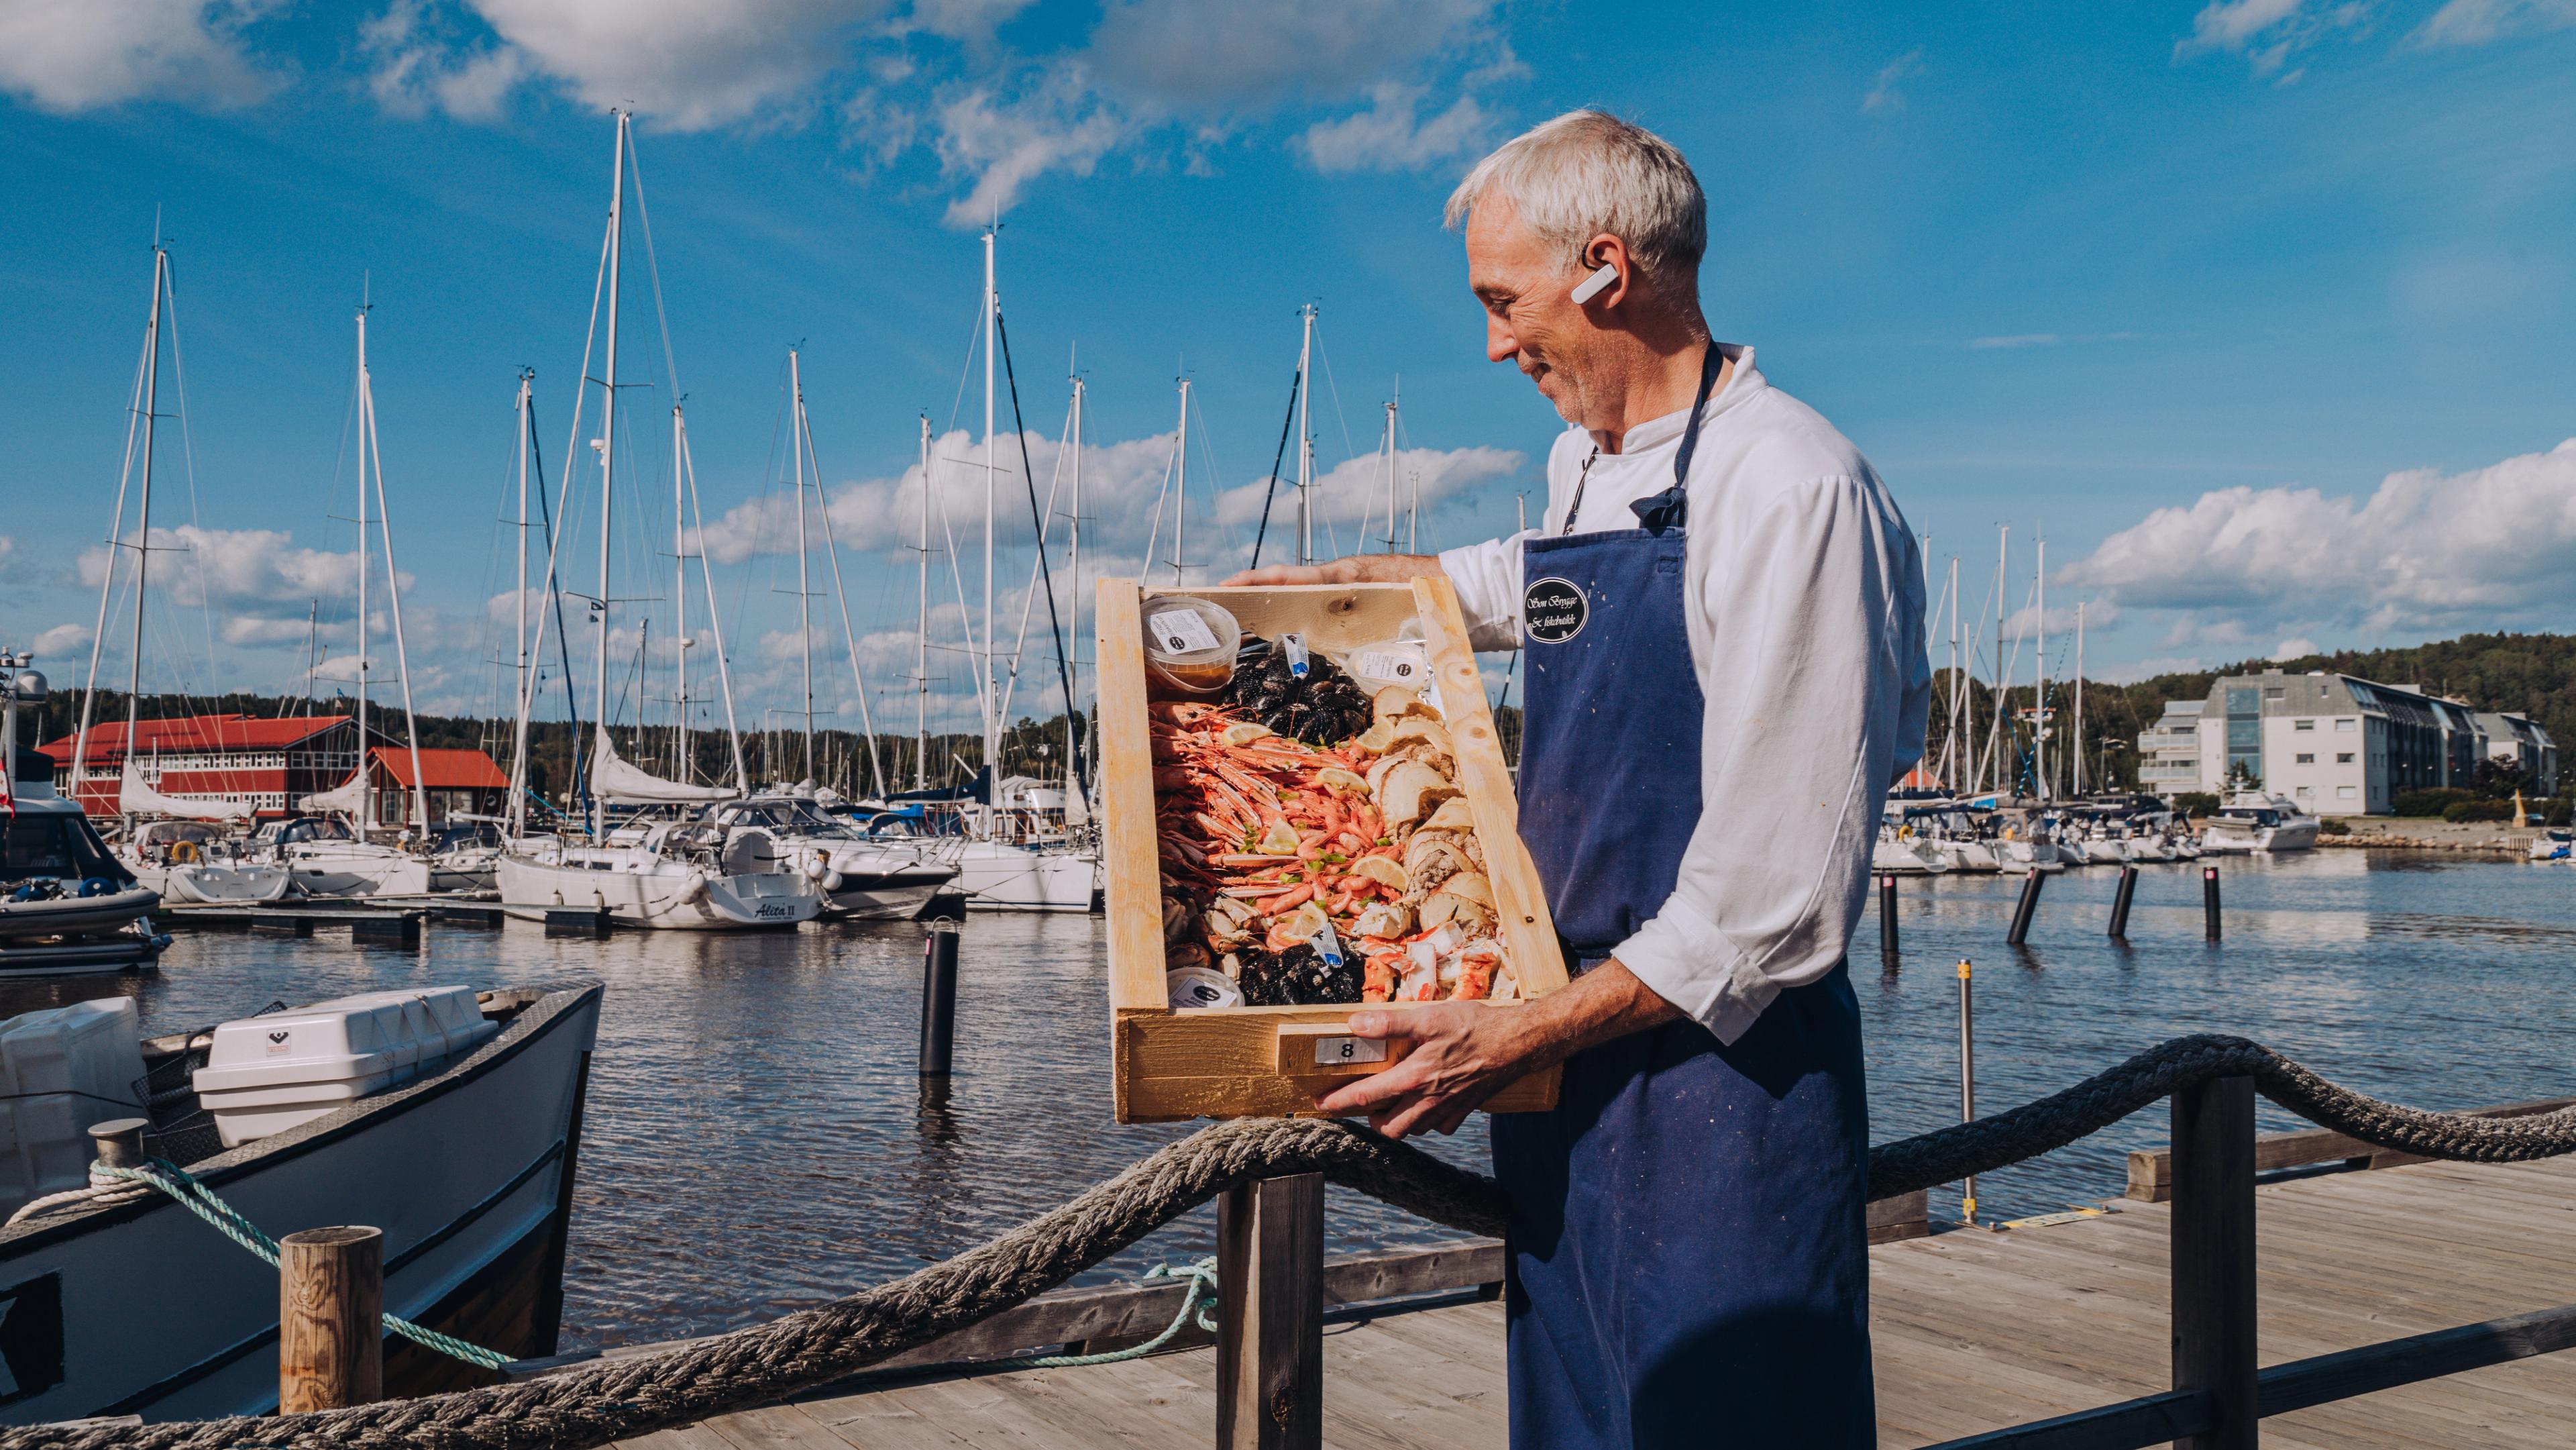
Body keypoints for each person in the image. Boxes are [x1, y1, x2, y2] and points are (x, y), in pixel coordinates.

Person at [1226, 110, 1928, 1447]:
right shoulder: (1584, 461)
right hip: (1565, 1078)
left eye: (1505, 300)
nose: (1492, 342)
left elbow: (1778, 898)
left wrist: (1519, 1033)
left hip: (1728, 1093)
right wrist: (1335, 592)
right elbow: (1526, 588)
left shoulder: (1793, 489)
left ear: (1606, 268)